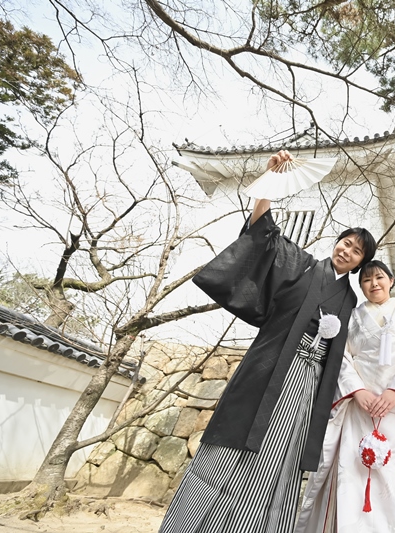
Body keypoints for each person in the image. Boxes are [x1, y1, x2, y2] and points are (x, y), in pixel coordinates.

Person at [159, 150, 377, 533]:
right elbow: (263, 233)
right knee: (238, 442)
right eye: (345, 242)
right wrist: (270, 179)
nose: (346, 250)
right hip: (270, 370)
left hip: (307, 387)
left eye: (356, 251)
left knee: (281, 455)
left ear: (360, 263)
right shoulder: (303, 265)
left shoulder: (349, 301)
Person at [295, 260, 395, 533]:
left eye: (379, 277)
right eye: (367, 280)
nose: (374, 284)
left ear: (391, 280)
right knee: (354, 475)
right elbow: (341, 357)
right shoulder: (353, 316)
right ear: (361, 287)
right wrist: (357, 391)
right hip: (360, 409)